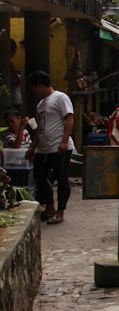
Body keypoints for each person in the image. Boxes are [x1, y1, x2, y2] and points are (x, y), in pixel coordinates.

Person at [24, 71, 74, 225]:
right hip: (44, 148)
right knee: (39, 176)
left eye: (34, 88)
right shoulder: (40, 104)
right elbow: (40, 128)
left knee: (61, 177)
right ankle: (50, 207)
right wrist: (33, 146)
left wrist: (64, 141)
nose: (34, 92)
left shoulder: (60, 97)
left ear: (40, 85)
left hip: (58, 146)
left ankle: (60, 211)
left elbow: (69, 118)